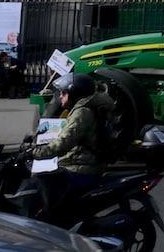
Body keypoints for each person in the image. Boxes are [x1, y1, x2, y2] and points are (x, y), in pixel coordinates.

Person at [27, 73, 113, 219]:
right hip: (83, 162)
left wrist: (35, 152)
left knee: (40, 182)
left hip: (80, 168)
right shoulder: (83, 108)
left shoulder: (82, 113)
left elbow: (63, 144)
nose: (60, 96)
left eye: (63, 93)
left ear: (74, 93)